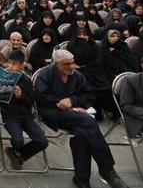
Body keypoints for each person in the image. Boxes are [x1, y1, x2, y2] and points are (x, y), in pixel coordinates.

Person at [34, 49, 128, 188]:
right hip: (52, 111)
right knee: (88, 121)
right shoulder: (45, 74)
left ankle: (81, 178)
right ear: (57, 64)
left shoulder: (77, 75)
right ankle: (107, 170)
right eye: (66, 64)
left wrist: (72, 101)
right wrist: (60, 102)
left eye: (72, 63)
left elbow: (88, 96)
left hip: (75, 113)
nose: (71, 67)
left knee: (82, 133)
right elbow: (40, 97)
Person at [0, 50, 48, 170]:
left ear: (22, 65)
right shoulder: (2, 77)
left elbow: (31, 101)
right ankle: (16, 151)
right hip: (9, 116)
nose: (11, 67)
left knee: (42, 141)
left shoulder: (26, 80)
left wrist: (20, 95)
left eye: (15, 64)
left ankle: (17, 154)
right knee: (18, 140)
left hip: (26, 116)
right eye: (10, 63)